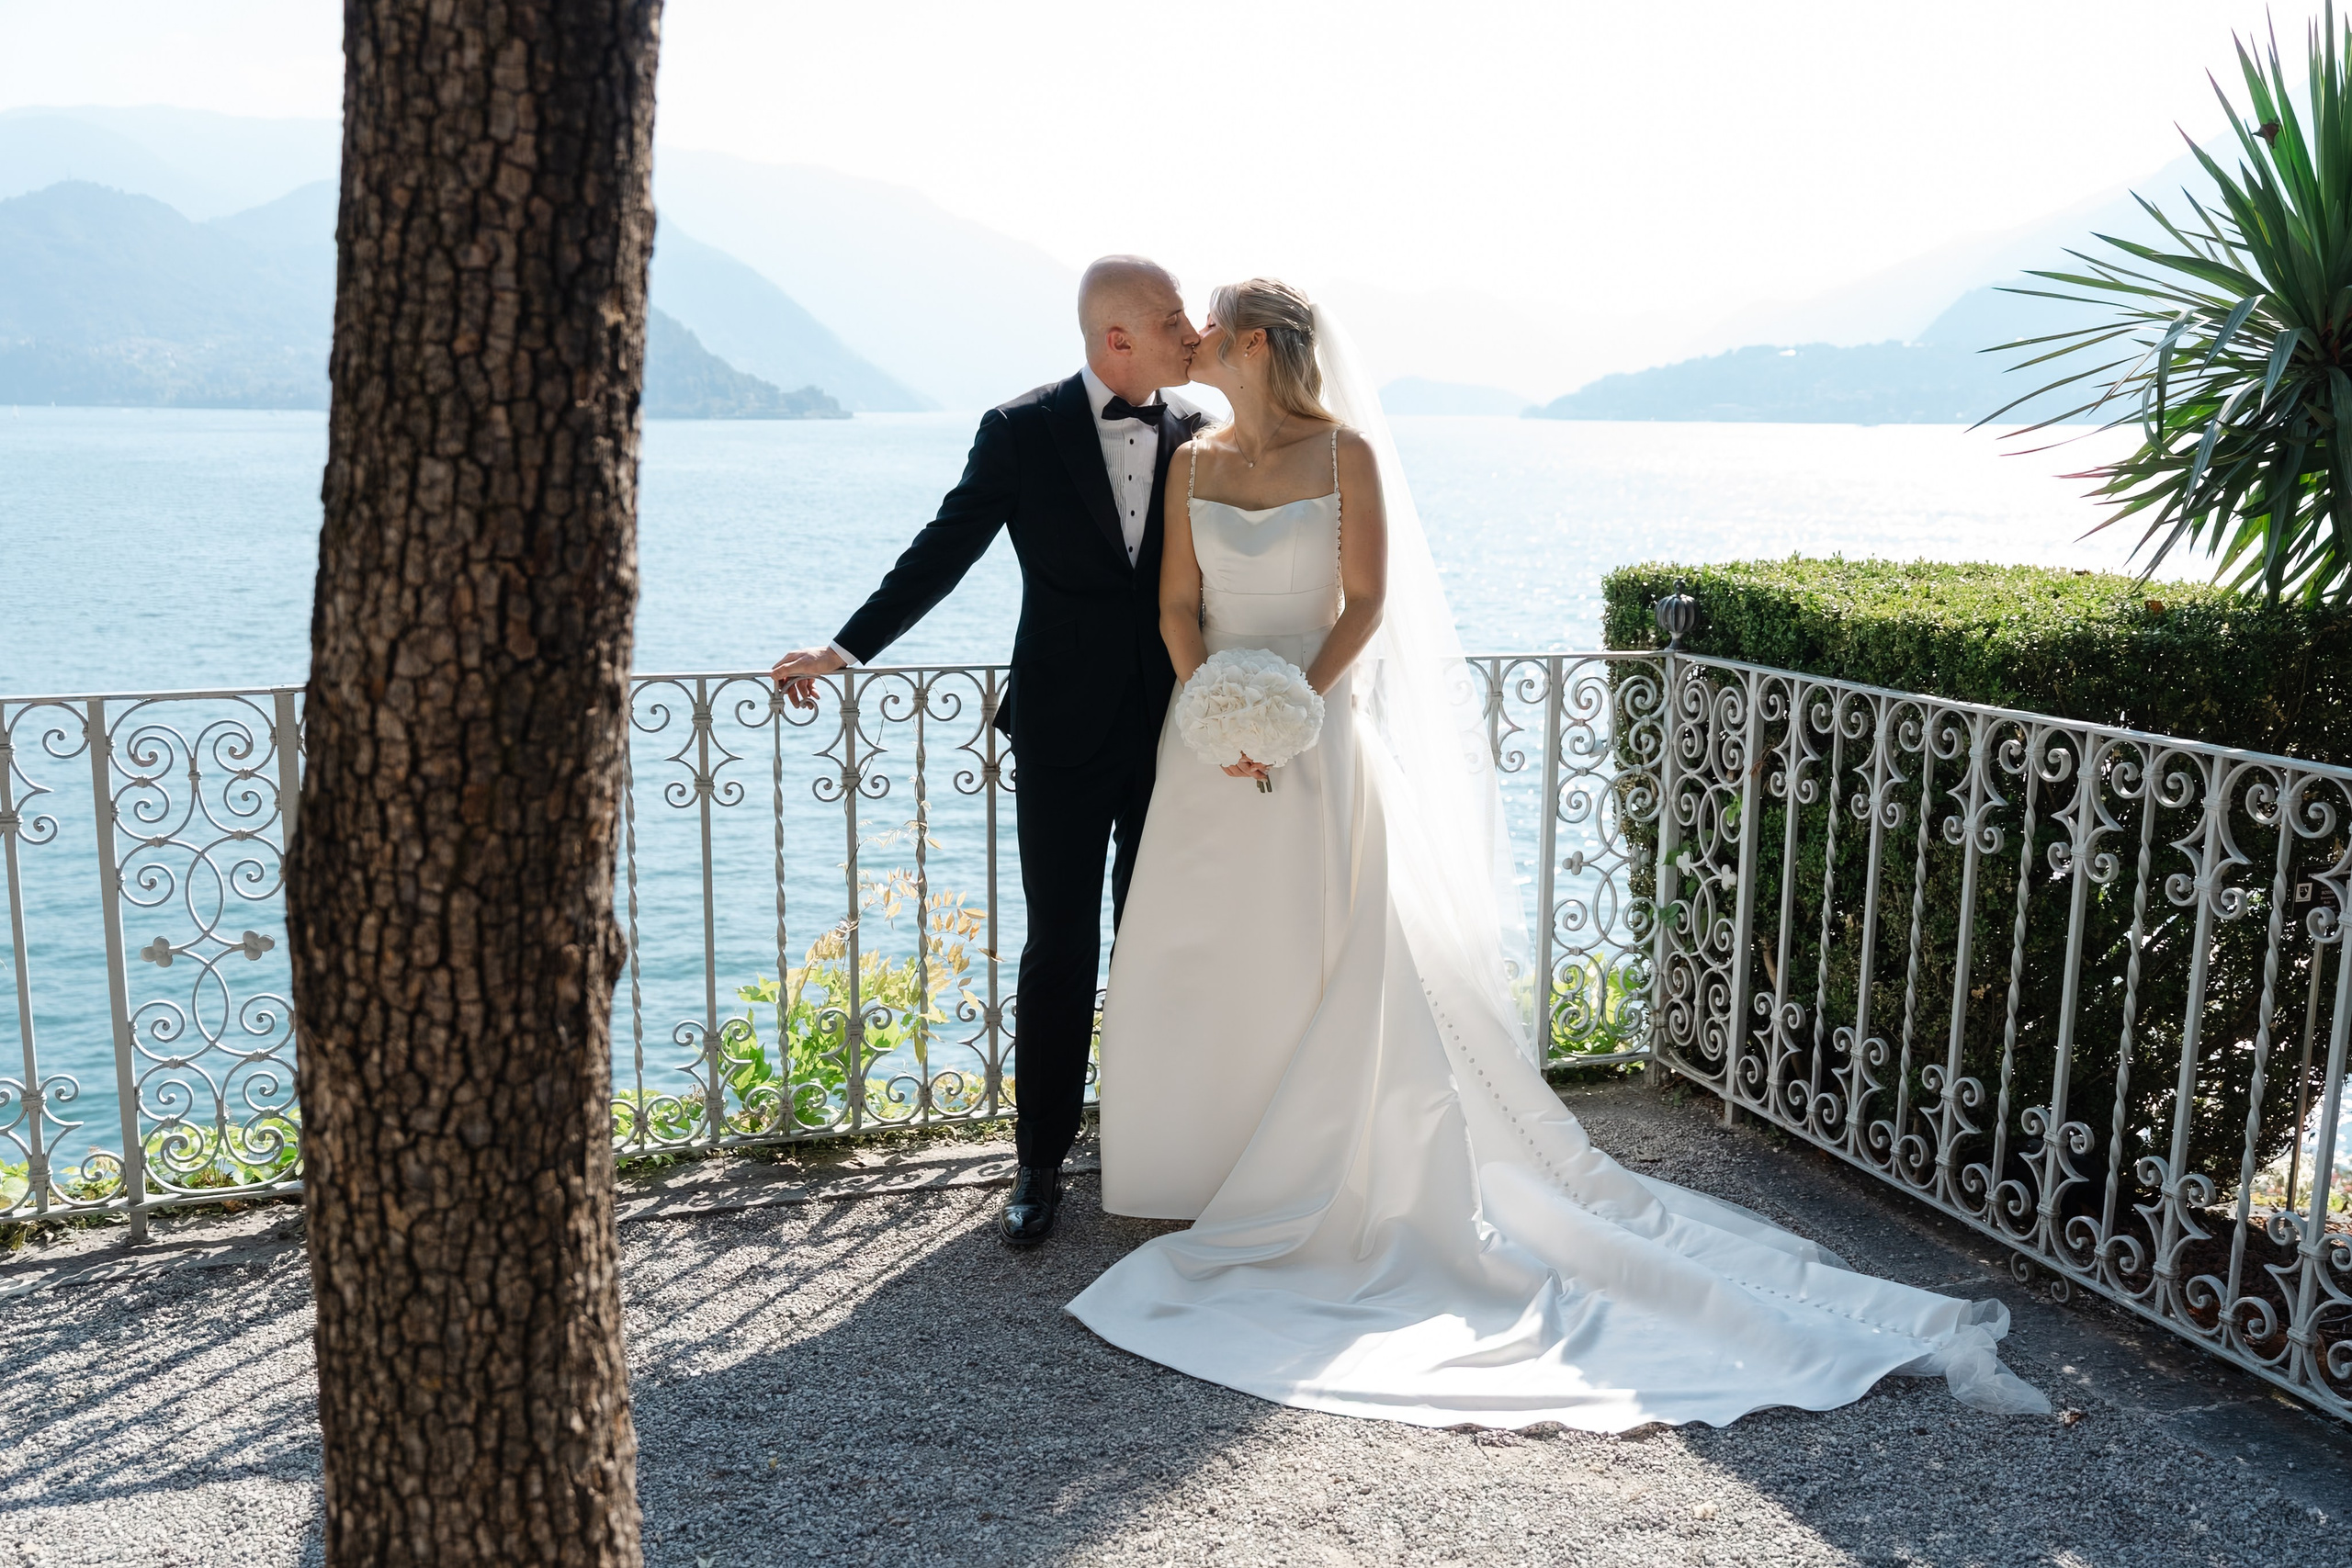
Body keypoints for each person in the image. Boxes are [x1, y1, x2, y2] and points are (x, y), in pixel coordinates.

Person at [1065, 277, 2052, 1432]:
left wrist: (1293, 704)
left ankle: (1314, 1176)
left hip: (1317, 736)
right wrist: (1220, 708)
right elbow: (1180, 607)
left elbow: (1368, 602)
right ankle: (1203, 1164)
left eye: (1212, 329)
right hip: (1215, 745)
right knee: (1204, 955)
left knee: (1321, 952)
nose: (1196, 342)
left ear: (1253, 347)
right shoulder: (1193, 464)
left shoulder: (1348, 457)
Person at [771, 256, 1208, 1247]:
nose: (1193, 331)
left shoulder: (1198, 431)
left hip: (1178, 727)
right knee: (1061, 947)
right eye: (1174, 317)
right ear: (1117, 338)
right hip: (1058, 728)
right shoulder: (1020, 430)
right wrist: (843, 650)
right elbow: (946, 545)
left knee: (1162, 940)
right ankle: (1039, 1165)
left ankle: (1158, 1144)